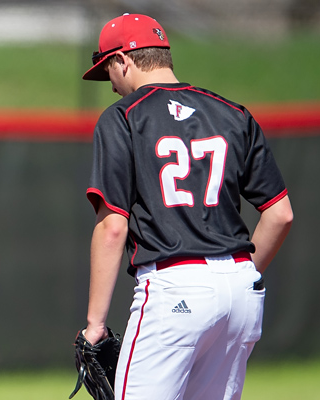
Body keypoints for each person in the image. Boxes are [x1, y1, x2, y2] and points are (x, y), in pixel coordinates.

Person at [79, 14, 293, 399]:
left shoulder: (123, 117)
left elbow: (113, 226)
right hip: (241, 289)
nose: (110, 85)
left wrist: (95, 324)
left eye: (108, 69)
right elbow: (280, 213)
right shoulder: (233, 113)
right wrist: (235, 278)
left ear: (124, 61)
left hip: (173, 286)